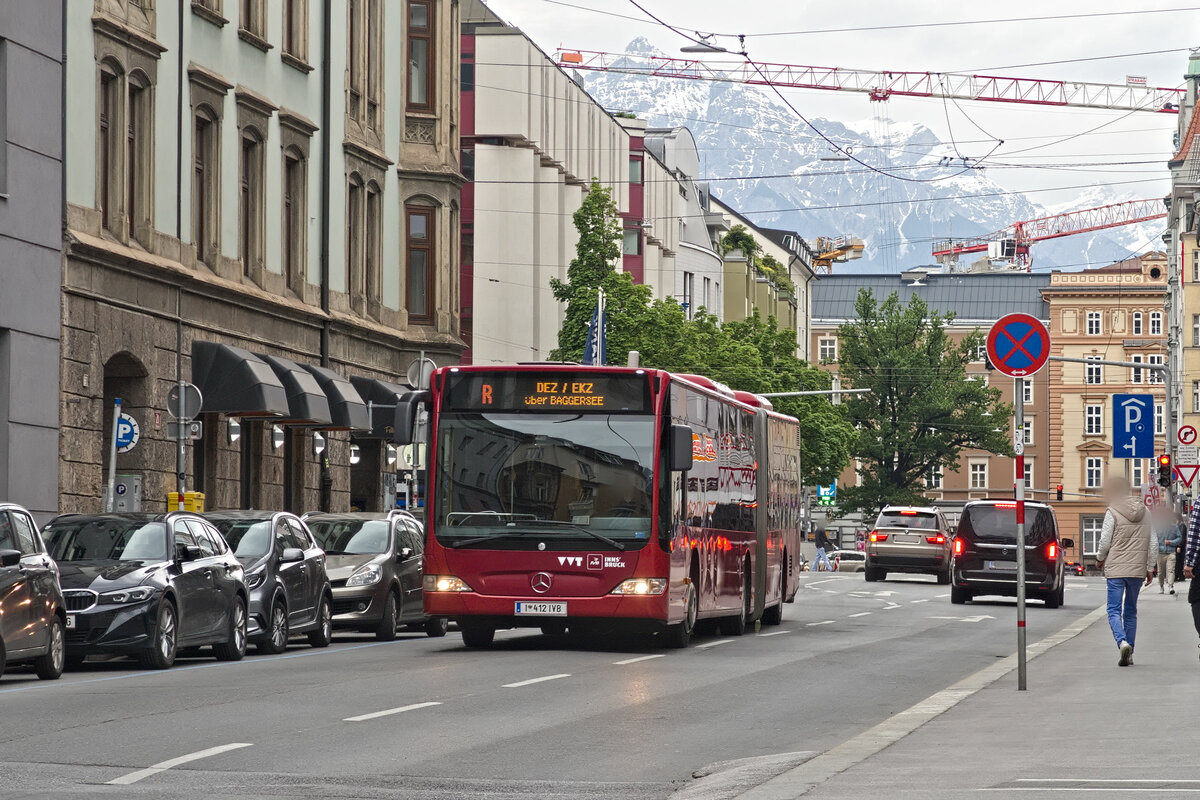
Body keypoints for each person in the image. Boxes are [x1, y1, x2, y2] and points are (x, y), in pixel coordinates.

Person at [1096, 478, 1155, 667]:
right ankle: (1130, 652)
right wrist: (1149, 567)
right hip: (1137, 570)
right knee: (1131, 611)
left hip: (1115, 568)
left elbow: (1105, 541)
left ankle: (1122, 642)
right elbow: (1153, 542)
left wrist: (1099, 558)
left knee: (1113, 609)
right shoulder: (1146, 512)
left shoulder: (1112, 511)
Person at [1153, 504, 1183, 595]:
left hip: (1171, 551)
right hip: (1160, 551)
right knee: (1161, 571)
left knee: (1171, 570)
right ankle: (1161, 586)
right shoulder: (1157, 527)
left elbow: (1179, 538)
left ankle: (1170, 586)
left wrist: (1171, 542)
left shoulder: (1174, 526)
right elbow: (1154, 539)